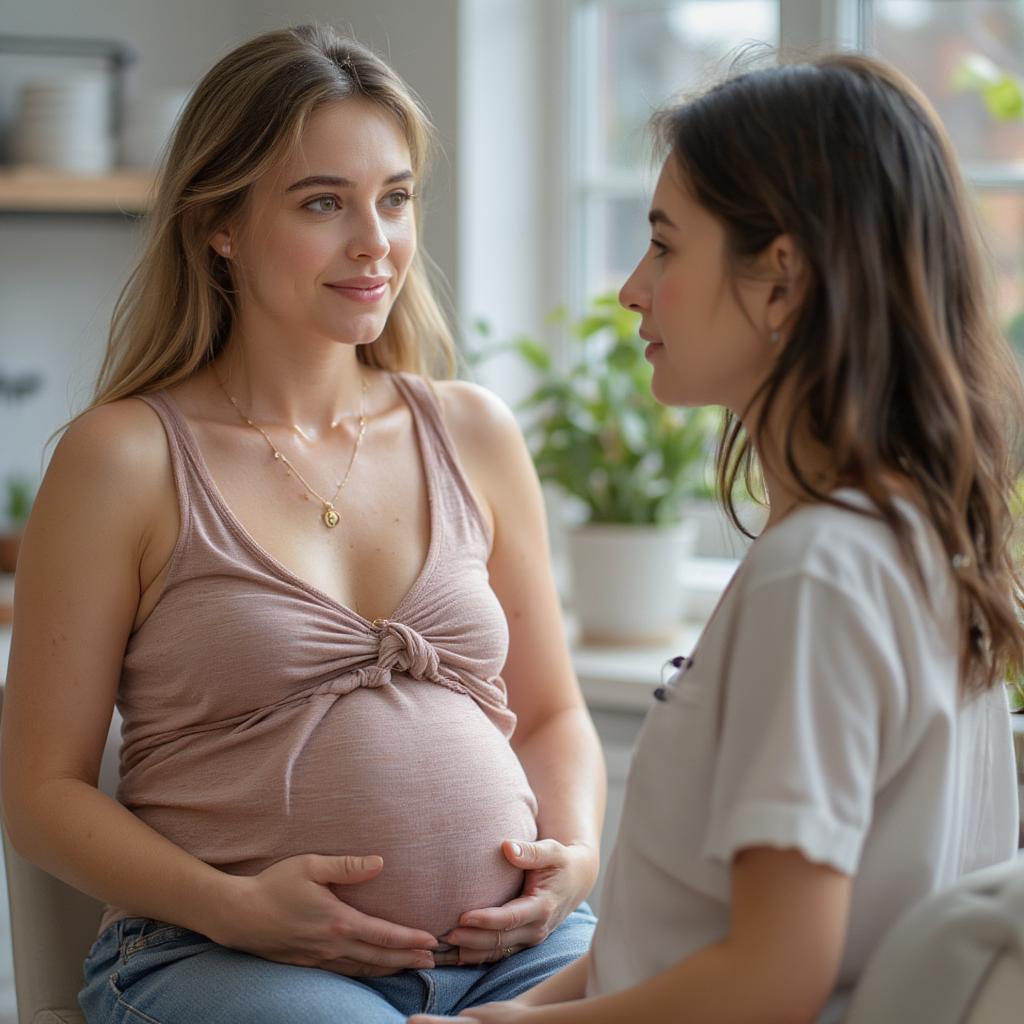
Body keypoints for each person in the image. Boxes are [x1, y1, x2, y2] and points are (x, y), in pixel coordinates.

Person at [0, 25, 604, 1024]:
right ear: (219, 223)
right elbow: (40, 792)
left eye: (395, 197)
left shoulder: (473, 432)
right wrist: (236, 909)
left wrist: (574, 858)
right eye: (325, 202)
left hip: (515, 953)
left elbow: (549, 715)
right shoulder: (122, 459)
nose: (377, 242)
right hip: (217, 955)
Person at [410, 52, 1024, 1024]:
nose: (630, 288)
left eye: (662, 246)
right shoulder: (910, 538)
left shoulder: (818, 574)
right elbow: (686, 942)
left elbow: (773, 978)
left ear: (780, 280)